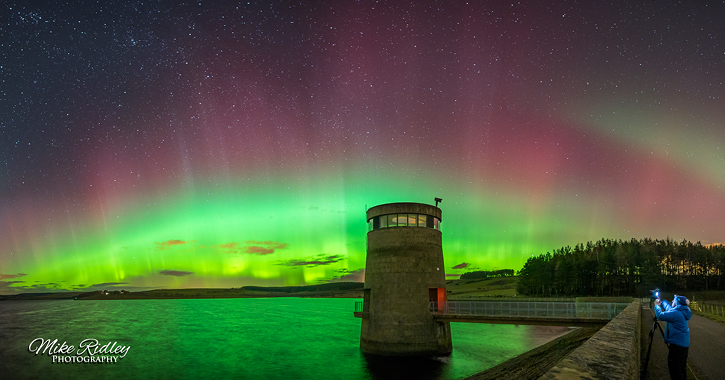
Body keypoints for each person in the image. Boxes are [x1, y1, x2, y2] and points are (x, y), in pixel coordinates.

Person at [654, 295, 692, 380]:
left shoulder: (676, 314)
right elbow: (669, 309)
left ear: (677, 303)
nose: (672, 301)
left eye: (674, 300)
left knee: (675, 369)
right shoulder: (681, 311)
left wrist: (656, 305)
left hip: (677, 346)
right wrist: (662, 302)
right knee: (681, 368)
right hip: (683, 345)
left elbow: (660, 315)